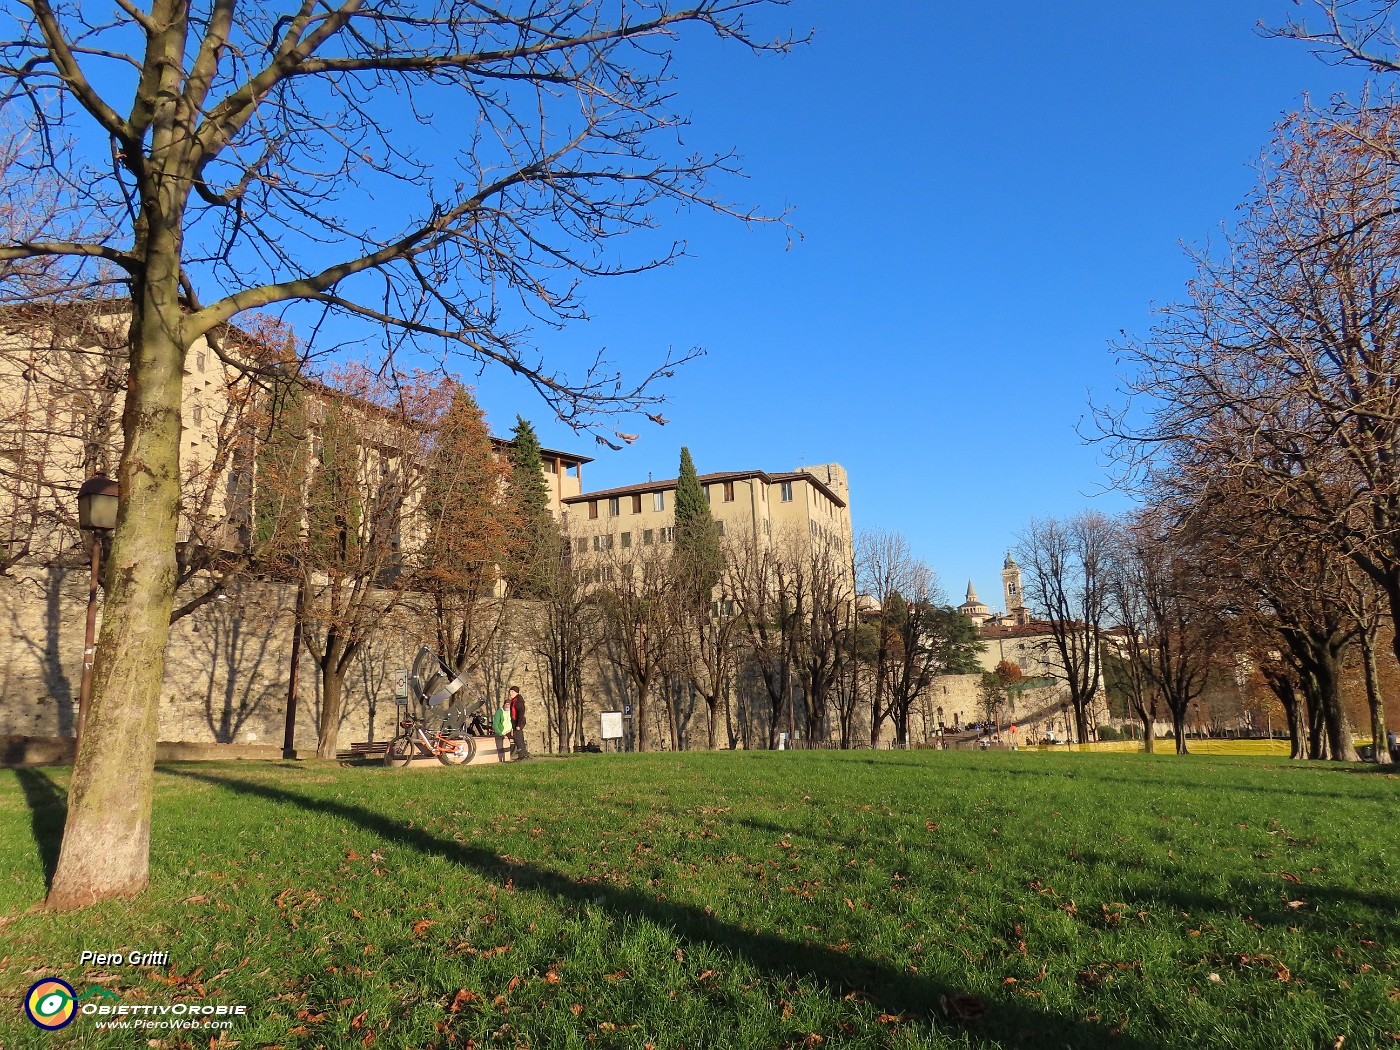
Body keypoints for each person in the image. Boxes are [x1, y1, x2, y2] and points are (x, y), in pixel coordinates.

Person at [507, 685, 530, 761]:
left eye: (512, 691)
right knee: (519, 738)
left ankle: (521, 757)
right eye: (510, 691)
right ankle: (523, 755)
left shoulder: (518, 700)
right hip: (516, 722)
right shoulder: (514, 700)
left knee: (518, 739)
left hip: (518, 722)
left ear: (516, 692)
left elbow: (520, 712)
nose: (510, 693)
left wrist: (518, 725)